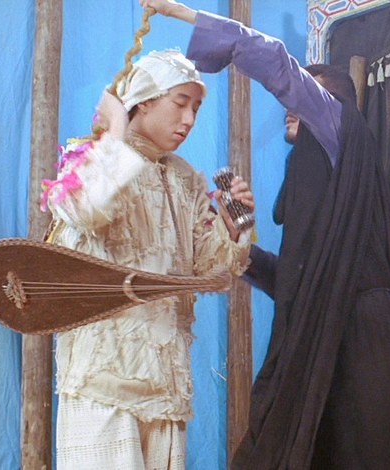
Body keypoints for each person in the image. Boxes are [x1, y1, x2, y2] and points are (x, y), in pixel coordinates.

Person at [141, 1, 390, 468]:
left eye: (307, 98)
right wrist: (239, 241)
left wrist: (185, 14)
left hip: (361, 341)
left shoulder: (343, 131)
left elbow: (278, 64)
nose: (290, 108)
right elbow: (298, 282)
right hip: (322, 332)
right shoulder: (318, 181)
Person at [43, 48, 253, 469]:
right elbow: (87, 207)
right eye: (180, 103)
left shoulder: (186, 180)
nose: (189, 120)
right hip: (103, 381)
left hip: (165, 383)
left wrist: (232, 230)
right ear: (143, 101)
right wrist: (116, 128)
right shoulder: (90, 157)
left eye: (196, 108)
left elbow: (211, 275)